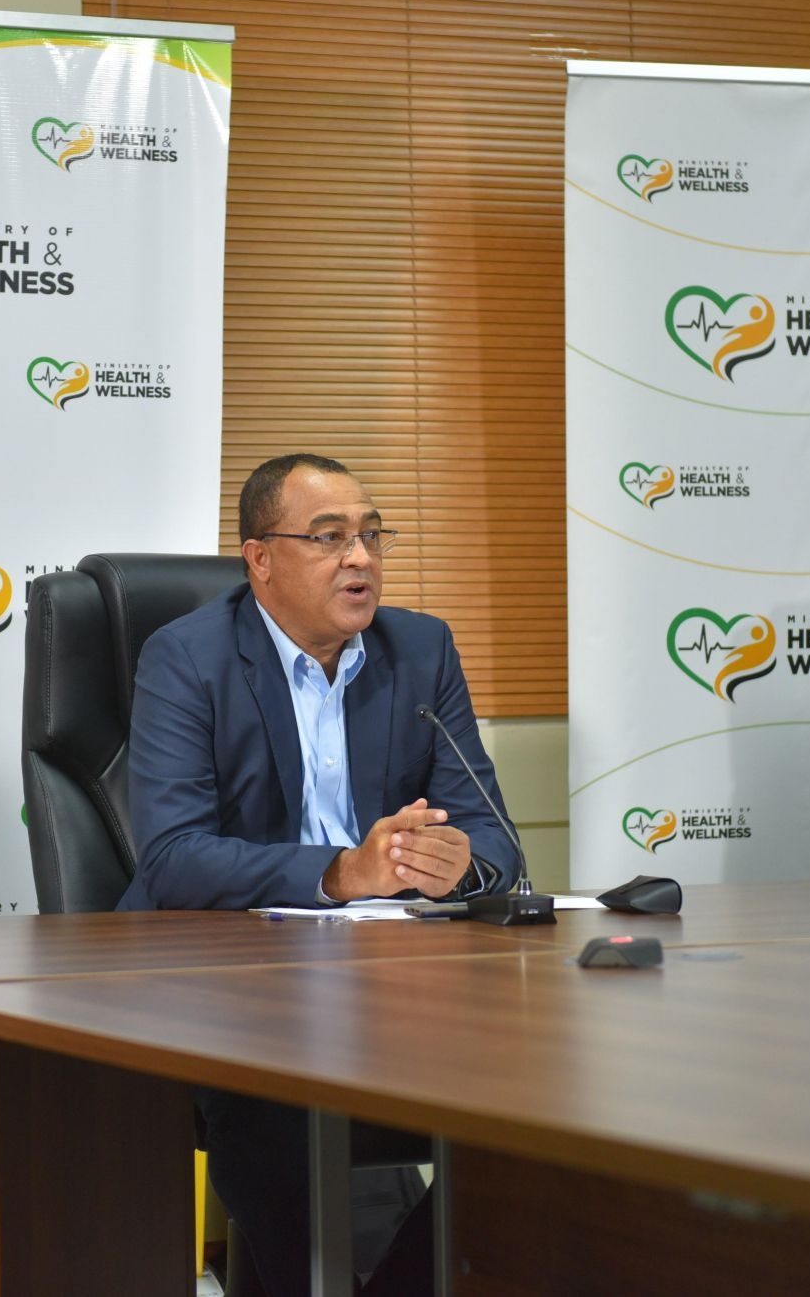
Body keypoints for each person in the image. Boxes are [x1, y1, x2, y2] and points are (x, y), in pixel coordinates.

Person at [123, 452, 521, 1296]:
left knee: (533, 1110)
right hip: (231, 990)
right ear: (260, 559)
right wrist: (343, 872)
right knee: (276, 1118)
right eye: (331, 537)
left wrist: (456, 864)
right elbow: (171, 857)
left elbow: (496, 841)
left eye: (373, 535)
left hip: (395, 990)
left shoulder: (420, 649)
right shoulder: (186, 658)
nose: (363, 558)